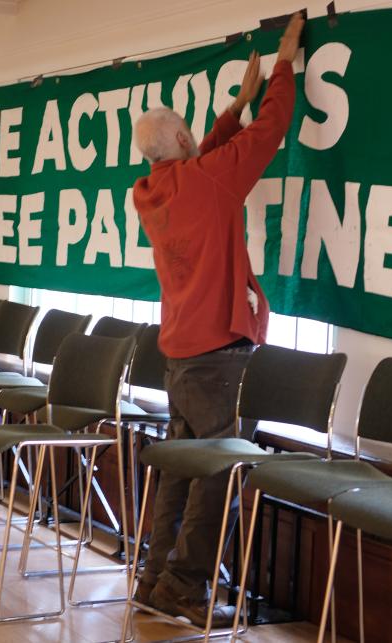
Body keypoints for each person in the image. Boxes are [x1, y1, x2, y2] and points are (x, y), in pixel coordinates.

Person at [130, 12, 305, 627]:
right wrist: (284, 63)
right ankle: (183, 586)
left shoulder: (151, 192)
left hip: (177, 353)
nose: (196, 138)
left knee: (181, 469)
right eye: (190, 132)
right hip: (218, 357)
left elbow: (205, 154)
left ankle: (153, 578)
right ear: (181, 142)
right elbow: (272, 128)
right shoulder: (210, 180)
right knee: (216, 473)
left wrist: (235, 104)